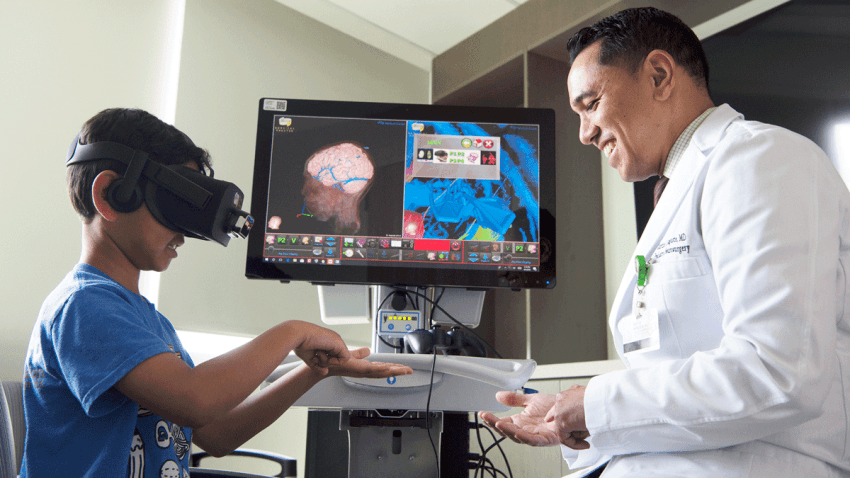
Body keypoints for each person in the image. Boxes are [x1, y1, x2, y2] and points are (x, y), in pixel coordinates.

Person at [480, 7, 850, 477]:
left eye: (590, 103)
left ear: (658, 75)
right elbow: (670, 391)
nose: (584, 134)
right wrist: (571, 419)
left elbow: (779, 372)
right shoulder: (679, 191)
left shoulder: (759, 158)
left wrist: (594, 405)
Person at [21, 108, 412, 478]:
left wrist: (315, 370)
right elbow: (196, 400)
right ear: (110, 194)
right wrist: (293, 331)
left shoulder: (146, 320)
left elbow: (214, 432)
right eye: (172, 208)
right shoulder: (83, 306)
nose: (184, 234)